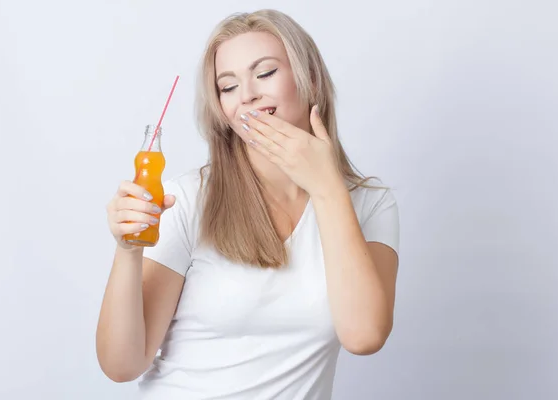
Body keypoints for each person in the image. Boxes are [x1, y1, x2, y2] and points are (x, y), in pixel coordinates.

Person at [96, 8, 400, 399]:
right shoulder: (188, 198)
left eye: (266, 73)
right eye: (228, 86)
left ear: (309, 78)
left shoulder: (370, 205)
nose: (248, 96)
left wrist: (326, 188)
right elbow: (121, 365)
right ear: (221, 107)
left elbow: (364, 336)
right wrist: (127, 251)